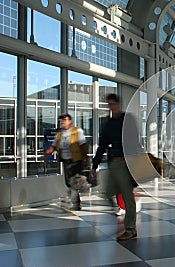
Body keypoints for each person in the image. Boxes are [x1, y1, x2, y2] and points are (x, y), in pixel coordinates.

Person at [91, 94, 141, 241]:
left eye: (114, 104)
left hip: (126, 162)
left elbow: (134, 140)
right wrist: (94, 165)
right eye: (109, 104)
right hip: (113, 163)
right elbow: (102, 146)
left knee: (128, 197)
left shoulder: (128, 119)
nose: (112, 107)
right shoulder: (107, 124)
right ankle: (122, 211)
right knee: (107, 193)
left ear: (119, 104)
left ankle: (130, 229)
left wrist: (133, 160)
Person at [44, 113, 89, 211]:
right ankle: (76, 202)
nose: (63, 122)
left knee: (72, 182)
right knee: (68, 183)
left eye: (64, 120)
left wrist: (86, 158)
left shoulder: (77, 131)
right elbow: (54, 146)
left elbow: (83, 145)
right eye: (62, 120)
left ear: (70, 121)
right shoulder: (60, 133)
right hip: (65, 161)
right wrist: (46, 153)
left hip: (75, 160)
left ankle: (73, 203)